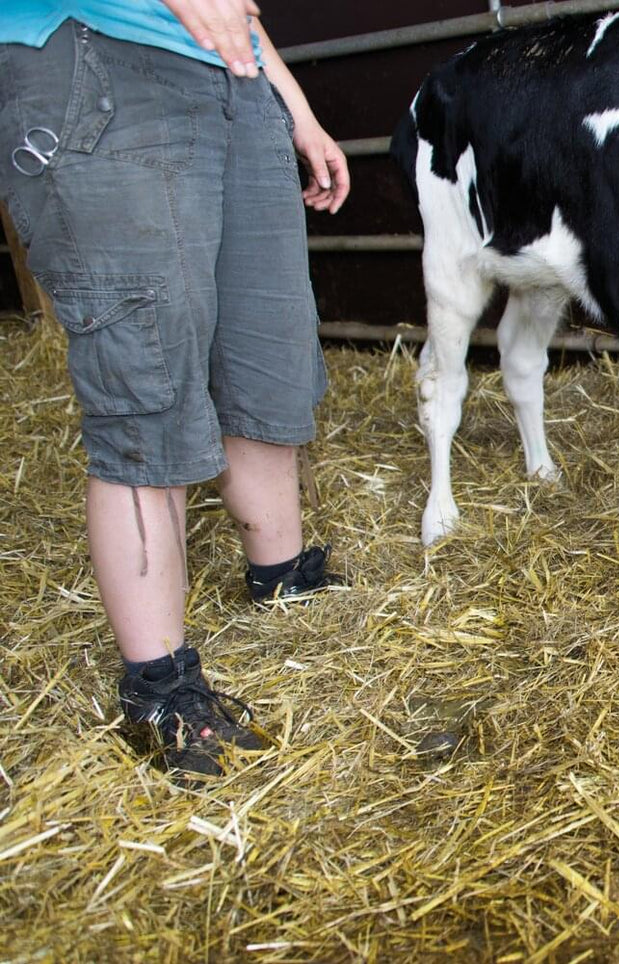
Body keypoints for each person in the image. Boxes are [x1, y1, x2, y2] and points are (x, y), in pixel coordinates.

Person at [0, 0, 351, 780]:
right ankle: (158, 686)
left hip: (237, 83)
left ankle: (282, 577)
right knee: (145, 377)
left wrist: (295, 110)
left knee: (265, 352)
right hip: (98, 65)